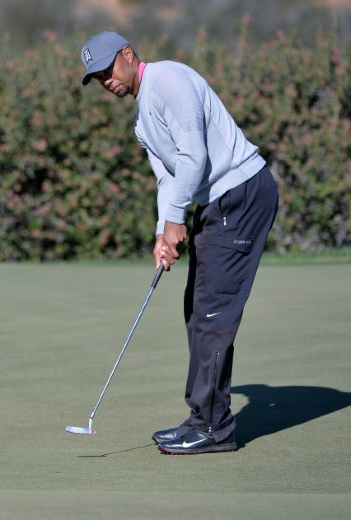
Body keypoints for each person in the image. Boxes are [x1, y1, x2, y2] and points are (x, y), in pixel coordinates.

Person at [79, 31, 278, 454]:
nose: (105, 82)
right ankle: (203, 418)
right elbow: (168, 178)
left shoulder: (168, 81)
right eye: (96, 78)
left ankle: (214, 429)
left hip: (239, 193)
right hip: (218, 200)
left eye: (106, 70)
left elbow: (194, 155)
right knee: (198, 310)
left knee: (212, 313)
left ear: (128, 54)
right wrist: (161, 231)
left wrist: (175, 221)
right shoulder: (141, 119)